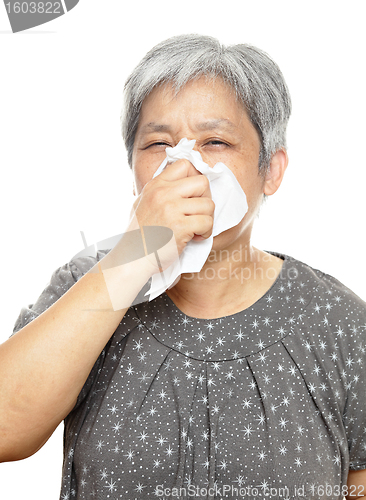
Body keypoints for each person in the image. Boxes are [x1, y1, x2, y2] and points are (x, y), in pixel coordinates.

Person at [1, 34, 365, 500]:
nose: (185, 164)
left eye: (215, 141)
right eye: (158, 143)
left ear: (270, 170)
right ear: (132, 168)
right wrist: (136, 255)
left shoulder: (339, 323)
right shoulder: (85, 284)